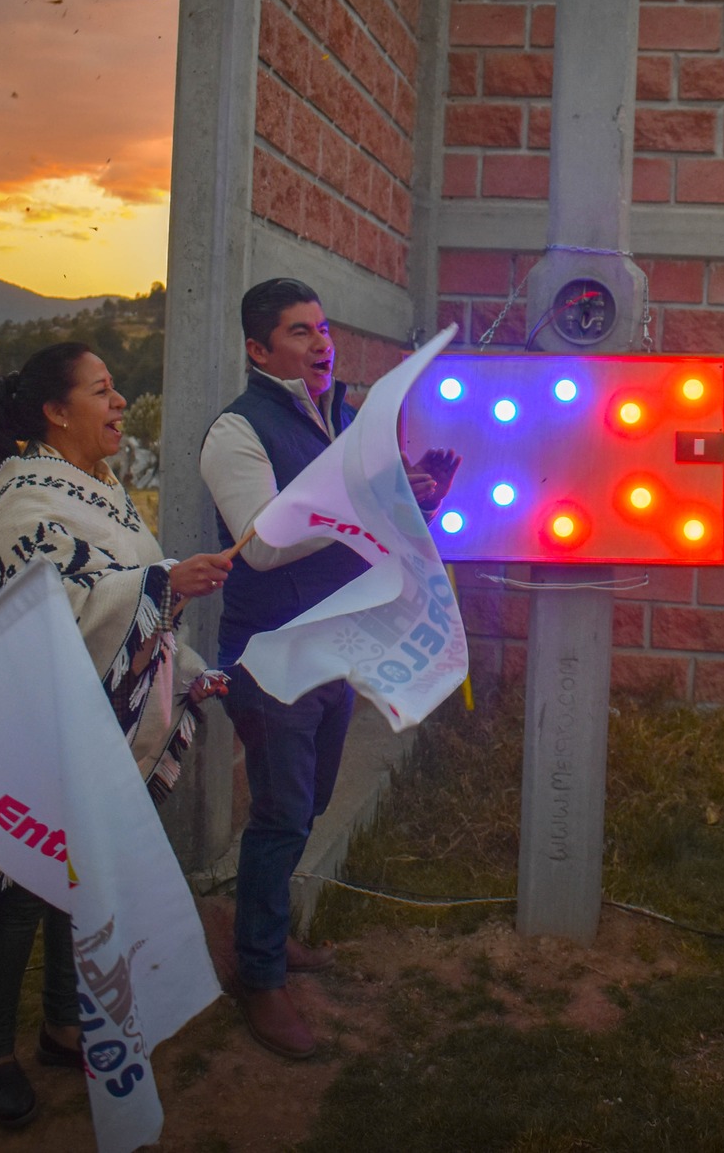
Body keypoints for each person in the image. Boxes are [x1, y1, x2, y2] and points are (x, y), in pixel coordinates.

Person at [0, 342, 235, 1127]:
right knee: (20, 883)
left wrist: (183, 662)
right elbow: (52, 607)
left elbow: (127, 594)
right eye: (104, 390)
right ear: (57, 411)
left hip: (105, 719)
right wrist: (162, 579)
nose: (120, 403)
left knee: (77, 876)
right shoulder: (27, 503)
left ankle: (59, 1025)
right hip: (43, 716)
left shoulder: (101, 488)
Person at [201, 279, 458, 1060]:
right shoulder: (234, 432)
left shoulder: (334, 413)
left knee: (308, 802)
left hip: (332, 647)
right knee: (280, 813)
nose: (321, 342)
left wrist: (406, 495)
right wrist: (366, 503)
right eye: (298, 331)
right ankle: (261, 975)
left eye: (322, 327)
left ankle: (268, 937)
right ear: (256, 348)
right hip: (273, 656)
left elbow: (351, 505)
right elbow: (268, 541)